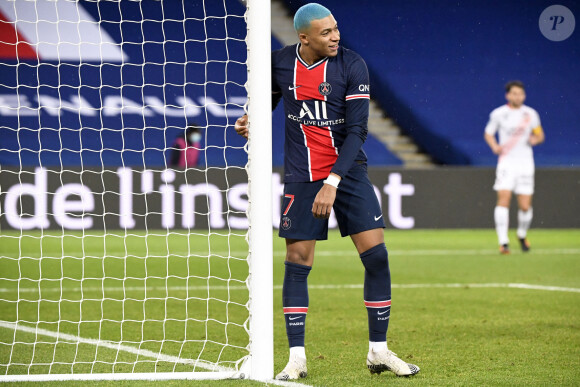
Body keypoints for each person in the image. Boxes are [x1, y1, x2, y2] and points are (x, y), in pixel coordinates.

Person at [235, 3, 419, 380]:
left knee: (377, 257)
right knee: (298, 261)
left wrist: (332, 183)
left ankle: (378, 351)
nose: (335, 36)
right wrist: (251, 118)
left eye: (335, 29)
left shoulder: (352, 66)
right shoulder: (280, 63)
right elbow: (271, 96)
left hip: (348, 172)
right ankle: (297, 358)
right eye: (325, 32)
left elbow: (358, 132)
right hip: (302, 175)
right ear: (304, 37)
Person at [484, 81, 545, 254]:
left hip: (525, 163)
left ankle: (521, 233)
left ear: (524, 96)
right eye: (515, 93)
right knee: (503, 198)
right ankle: (503, 242)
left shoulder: (530, 114)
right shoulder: (498, 114)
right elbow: (488, 133)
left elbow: (540, 134)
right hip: (506, 163)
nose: (518, 96)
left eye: (521, 94)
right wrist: (494, 146)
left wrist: (535, 139)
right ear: (508, 95)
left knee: (525, 206)